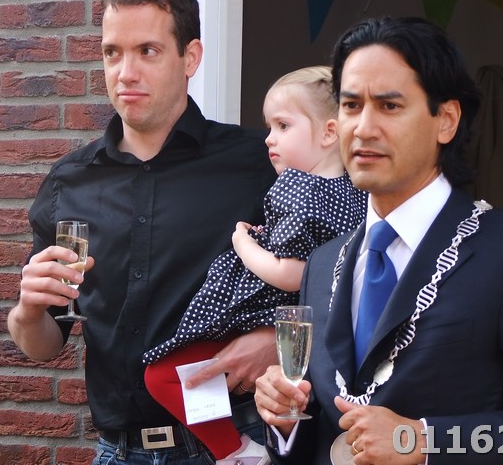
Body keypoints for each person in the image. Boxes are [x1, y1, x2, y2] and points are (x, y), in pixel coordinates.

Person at [254, 16, 503, 464]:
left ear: (446, 120)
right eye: (350, 105)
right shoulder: (323, 264)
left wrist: (425, 441)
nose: (363, 127)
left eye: (389, 106)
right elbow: (329, 431)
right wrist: (286, 421)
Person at [7, 0, 279, 465]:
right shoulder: (69, 181)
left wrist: (276, 340)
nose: (125, 72)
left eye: (147, 51)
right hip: (117, 451)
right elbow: (45, 344)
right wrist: (27, 312)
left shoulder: (259, 163)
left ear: (190, 58)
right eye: (112, 53)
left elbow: (338, 278)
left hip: (236, 445)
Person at [142, 66, 367, 464]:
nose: (269, 138)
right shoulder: (357, 193)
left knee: (161, 375)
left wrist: (244, 245)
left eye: (283, 125)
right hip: (313, 329)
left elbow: (293, 273)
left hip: (259, 312)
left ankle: (236, 451)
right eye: (269, 127)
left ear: (329, 133)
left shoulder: (300, 187)